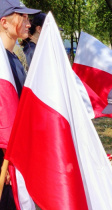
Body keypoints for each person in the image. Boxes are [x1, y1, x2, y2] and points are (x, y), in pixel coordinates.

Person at [0, 0, 40, 209]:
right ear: (4, 22)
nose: (28, 22)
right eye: (22, 16)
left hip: (17, 156)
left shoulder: (14, 59)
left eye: (28, 17)